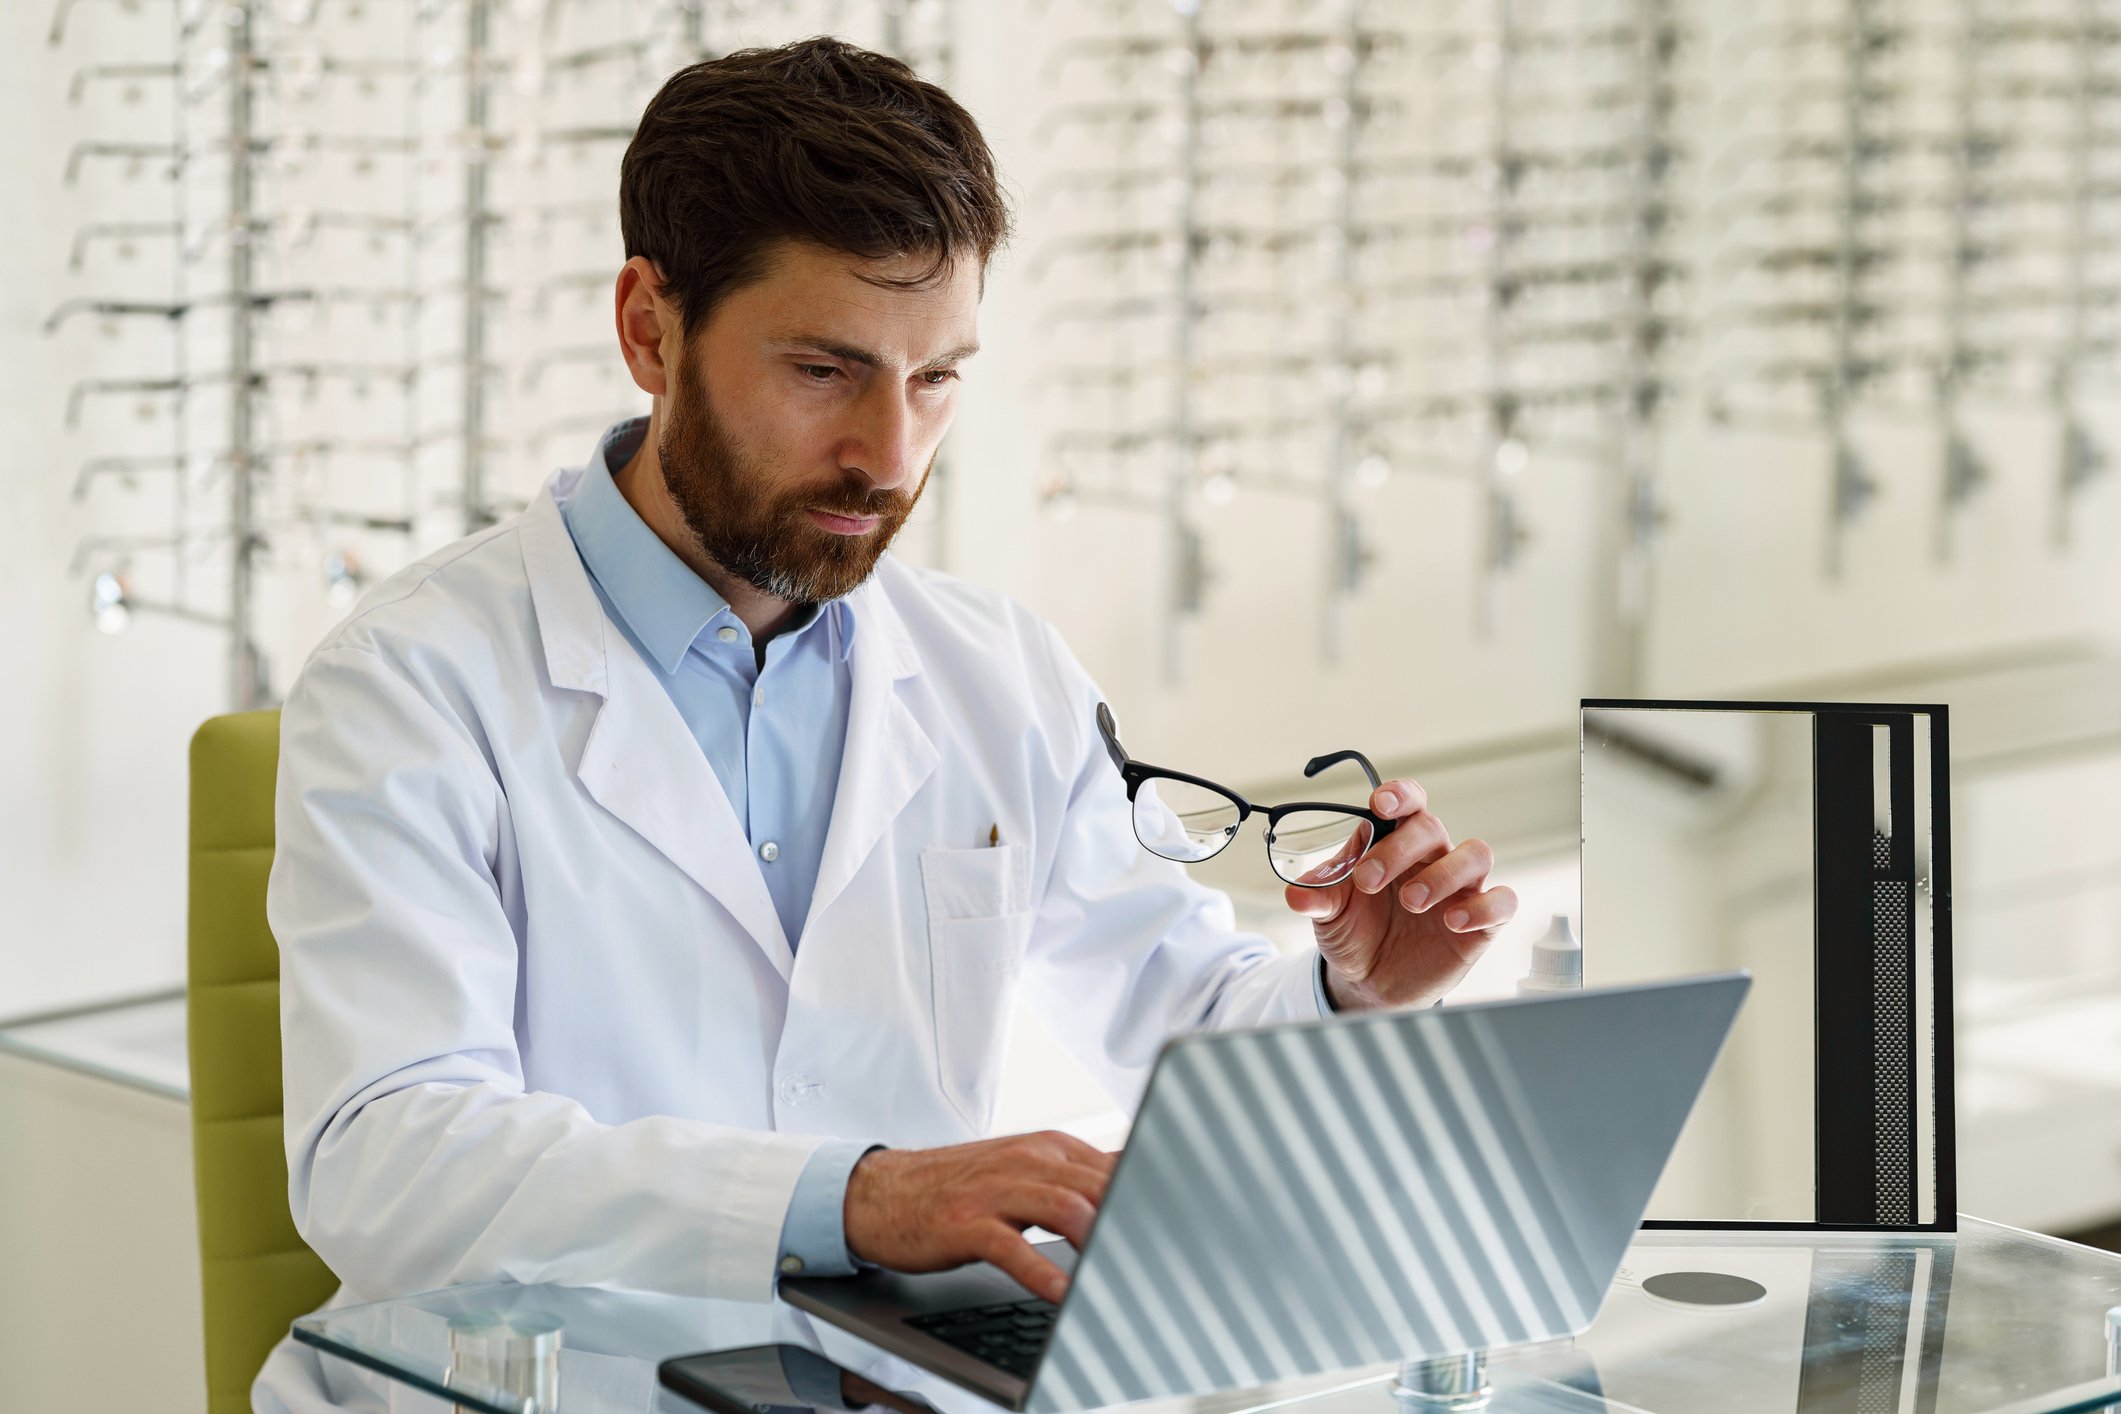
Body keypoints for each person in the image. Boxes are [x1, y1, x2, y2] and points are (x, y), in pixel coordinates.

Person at [256, 35, 1515, 1412]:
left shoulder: (995, 669)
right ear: (647, 328)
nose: (891, 452)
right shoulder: (412, 681)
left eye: (936, 379)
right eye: (824, 369)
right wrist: (850, 1196)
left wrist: (1347, 991)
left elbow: (1180, 1010)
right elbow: (387, 1164)